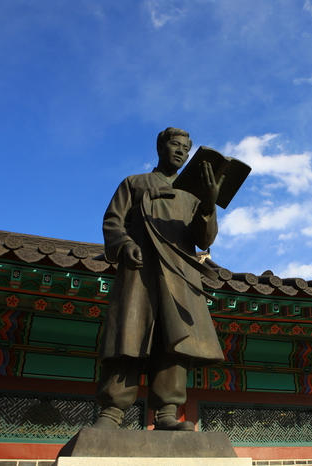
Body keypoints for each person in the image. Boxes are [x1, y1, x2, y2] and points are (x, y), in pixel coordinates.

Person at [94, 127, 225, 431]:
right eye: (175, 145)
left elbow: (205, 238)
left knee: (173, 342)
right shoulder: (134, 183)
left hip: (179, 276)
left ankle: (166, 412)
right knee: (128, 336)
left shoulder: (192, 194)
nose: (180, 151)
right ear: (160, 147)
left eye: (185, 149)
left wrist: (208, 205)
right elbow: (113, 222)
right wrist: (125, 245)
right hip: (140, 272)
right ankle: (112, 412)